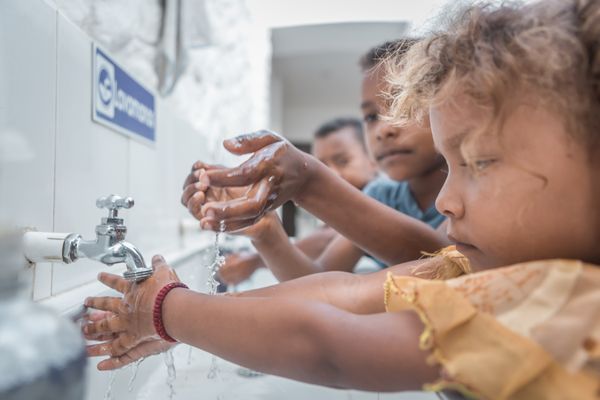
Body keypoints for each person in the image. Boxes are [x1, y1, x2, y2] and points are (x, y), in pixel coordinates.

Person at [83, 0, 600, 398]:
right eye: (451, 163)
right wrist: (184, 317)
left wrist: (171, 312)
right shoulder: (482, 268)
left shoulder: (575, 304)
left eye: (480, 162)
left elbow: (328, 345)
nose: (447, 200)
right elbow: (335, 293)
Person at [217, 39, 449, 283]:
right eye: (371, 116)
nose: (383, 130)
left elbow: (448, 265)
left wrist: (309, 181)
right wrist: (266, 231)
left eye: (404, 106)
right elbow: (317, 280)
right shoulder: (381, 195)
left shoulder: (467, 193)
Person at [218, 117, 378, 285]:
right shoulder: (334, 214)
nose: (333, 174)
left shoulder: (379, 193)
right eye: (323, 165)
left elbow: (326, 239)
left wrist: (254, 261)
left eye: (343, 161)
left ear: (372, 160)